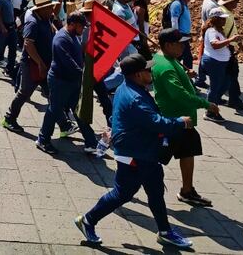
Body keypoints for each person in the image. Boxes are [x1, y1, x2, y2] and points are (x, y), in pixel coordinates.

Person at [75, 54, 194, 249]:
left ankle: (165, 232)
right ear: (138, 75)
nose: (151, 72)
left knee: (155, 190)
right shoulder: (136, 98)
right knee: (122, 193)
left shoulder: (127, 87)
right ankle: (88, 220)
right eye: (148, 70)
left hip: (140, 150)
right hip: (135, 153)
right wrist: (180, 122)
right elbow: (156, 123)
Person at [151, 28, 220, 208]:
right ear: (168, 45)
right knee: (152, 159)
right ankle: (124, 185)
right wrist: (206, 104)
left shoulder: (167, 59)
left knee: (188, 150)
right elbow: (179, 95)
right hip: (174, 120)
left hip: (184, 122)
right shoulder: (165, 67)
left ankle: (187, 190)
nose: (183, 46)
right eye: (179, 43)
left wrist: (185, 75)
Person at [35, 12, 99, 155]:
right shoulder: (61, 39)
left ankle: (91, 142)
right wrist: (84, 75)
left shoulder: (74, 36)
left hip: (72, 81)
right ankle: (43, 139)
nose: (83, 30)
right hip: (60, 81)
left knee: (78, 110)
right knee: (54, 110)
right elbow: (68, 62)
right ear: (74, 24)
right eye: (82, 26)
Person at [2, 0, 57, 133]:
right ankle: (9, 118)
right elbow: (28, 44)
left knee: (52, 94)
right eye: (49, 7)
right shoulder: (33, 23)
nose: (52, 9)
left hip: (44, 64)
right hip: (32, 65)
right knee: (24, 92)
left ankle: (65, 125)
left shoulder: (45, 19)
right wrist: (40, 63)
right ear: (41, 9)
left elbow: (51, 29)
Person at [217, 0, 243, 110]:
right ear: (230, 2)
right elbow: (227, 33)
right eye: (235, 1)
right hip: (227, 47)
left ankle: (221, 96)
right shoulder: (228, 16)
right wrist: (238, 44)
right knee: (232, 73)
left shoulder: (222, 12)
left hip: (224, 47)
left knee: (227, 74)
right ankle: (233, 99)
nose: (237, 4)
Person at [199, 8, 238, 109]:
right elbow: (215, 45)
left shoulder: (218, 30)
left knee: (225, 83)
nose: (224, 20)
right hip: (214, 62)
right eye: (222, 19)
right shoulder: (212, 31)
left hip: (220, 62)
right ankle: (210, 109)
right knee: (216, 87)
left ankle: (213, 100)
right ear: (216, 19)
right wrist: (230, 39)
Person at [168, 0, 194, 69]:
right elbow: (174, 21)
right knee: (187, 58)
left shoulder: (183, 4)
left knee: (181, 57)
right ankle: (186, 77)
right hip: (180, 36)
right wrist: (176, 37)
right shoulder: (177, 4)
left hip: (184, 36)